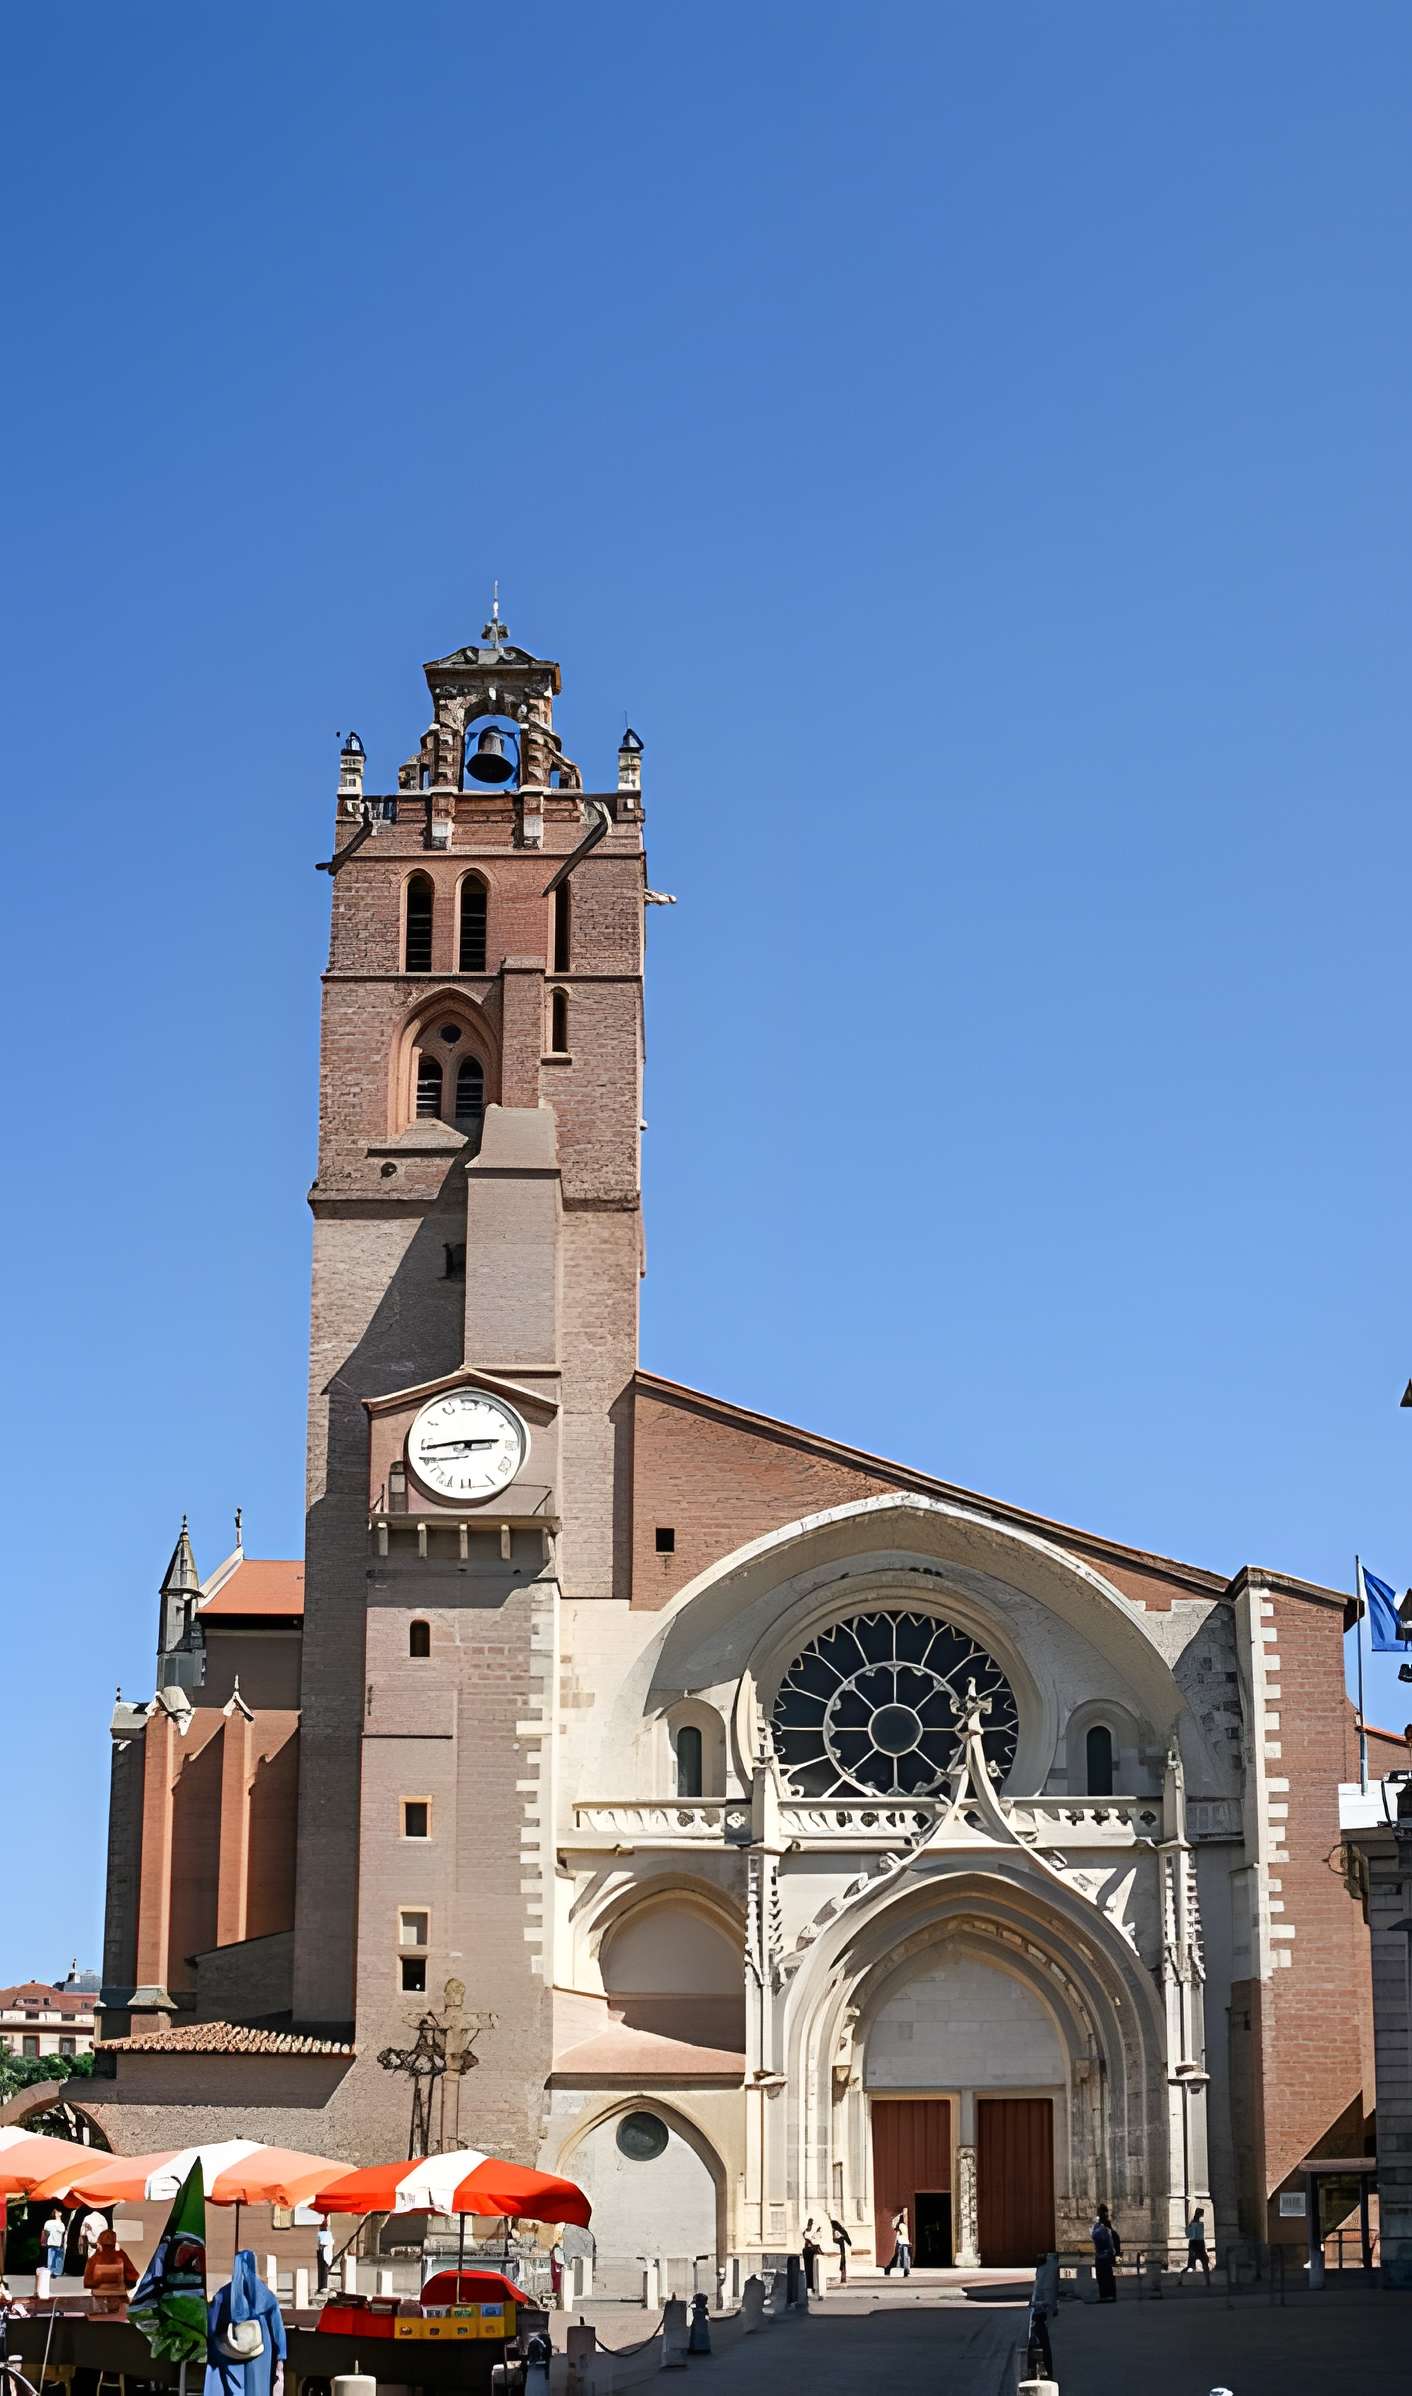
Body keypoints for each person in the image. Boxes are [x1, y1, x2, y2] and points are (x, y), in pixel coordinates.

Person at [205, 2250, 286, 2396]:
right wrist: (281, 2356)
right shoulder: (266, 2296)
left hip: (231, 2351)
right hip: (261, 2352)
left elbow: (211, 2324)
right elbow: (277, 2330)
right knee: (258, 2387)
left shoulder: (224, 2294)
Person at [84, 2230, 138, 2318]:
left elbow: (88, 2282)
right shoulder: (121, 2256)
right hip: (119, 2299)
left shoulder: (93, 2259)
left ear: (99, 2242)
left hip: (98, 2300)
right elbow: (133, 2277)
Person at [1091, 2203, 1120, 2303]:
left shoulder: (1106, 2226)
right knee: (1103, 2277)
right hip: (1102, 2256)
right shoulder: (1098, 2226)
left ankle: (1108, 2295)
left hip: (1106, 2256)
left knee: (1106, 2276)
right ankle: (1106, 2295)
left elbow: (1114, 2240)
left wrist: (1117, 2257)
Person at [1181, 2205, 1212, 2287]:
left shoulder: (1196, 2224)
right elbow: (1193, 2236)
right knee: (1194, 2265)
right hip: (1196, 2244)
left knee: (1202, 2263)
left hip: (1197, 2244)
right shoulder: (1195, 2224)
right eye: (1202, 2213)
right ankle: (1207, 2281)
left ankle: (1208, 2281)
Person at [883, 2206, 911, 2277]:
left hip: (903, 2243)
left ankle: (905, 2270)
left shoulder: (902, 2225)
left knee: (903, 2257)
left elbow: (903, 2235)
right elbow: (901, 2233)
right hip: (902, 2243)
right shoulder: (901, 2225)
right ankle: (904, 2270)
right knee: (903, 2257)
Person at [40, 2209, 67, 2281]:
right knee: (57, 2258)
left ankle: (50, 2271)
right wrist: (59, 2219)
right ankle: (55, 2272)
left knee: (51, 2257)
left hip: (50, 2242)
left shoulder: (48, 2222)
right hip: (57, 2242)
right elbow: (62, 2230)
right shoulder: (60, 2223)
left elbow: (46, 2230)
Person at [801, 2220, 822, 2293]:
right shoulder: (809, 2233)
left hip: (808, 2251)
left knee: (809, 2270)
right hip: (809, 2251)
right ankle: (811, 2286)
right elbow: (814, 2241)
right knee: (811, 2270)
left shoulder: (805, 2232)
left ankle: (810, 2286)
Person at [829, 2216, 851, 2285]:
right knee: (843, 2264)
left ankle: (843, 2278)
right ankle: (843, 2279)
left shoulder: (836, 2232)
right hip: (842, 2251)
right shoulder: (841, 2232)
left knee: (842, 2263)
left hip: (841, 2251)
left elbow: (836, 2240)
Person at [315, 2223, 333, 2294]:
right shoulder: (325, 2234)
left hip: (325, 2252)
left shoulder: (326, 2234)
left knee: (323, 2270)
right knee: (322, 2270)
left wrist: (321, 2246)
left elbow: (321, 2243)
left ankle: (323, 2286)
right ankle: (322, 2286)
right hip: (323, 2252)